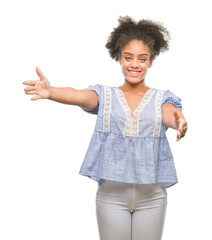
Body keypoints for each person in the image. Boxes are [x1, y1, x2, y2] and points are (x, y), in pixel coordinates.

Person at [23, 16, 187, 240]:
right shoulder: (105, 95)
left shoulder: (162, 98)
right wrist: (51, 92)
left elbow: (169, 113)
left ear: (150, 62)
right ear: (119, 58)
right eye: (128, 58)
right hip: (111, 196)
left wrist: (177, 120)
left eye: (142, 59)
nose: (134, 64)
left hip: (152, 198)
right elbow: (80, 96)